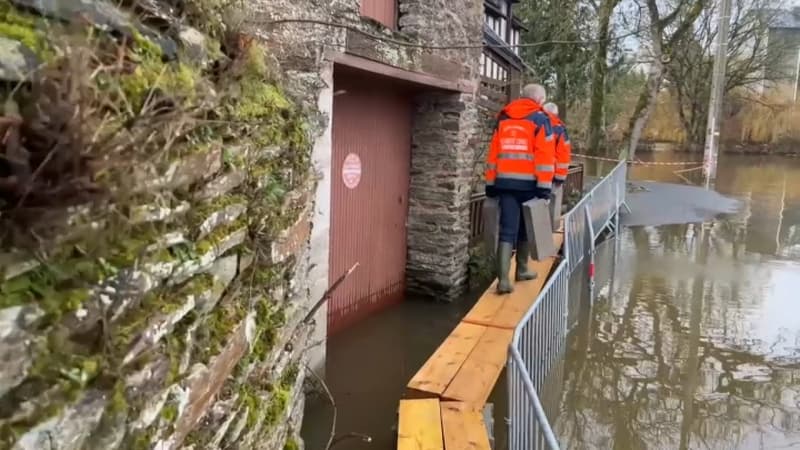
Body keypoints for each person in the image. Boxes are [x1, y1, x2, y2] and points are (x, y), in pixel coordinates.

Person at [485, 84, 555, 294]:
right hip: (530, 186)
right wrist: (544, 188)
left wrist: (490, 184)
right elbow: (545, 156)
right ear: (539, 100)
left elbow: (493, 152)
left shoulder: (504, 118)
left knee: (507, 230)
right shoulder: (541, 119)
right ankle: (522, 269)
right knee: (527, 227)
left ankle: (503, 281)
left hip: (505, 183)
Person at [542, 102, 572, 186]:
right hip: (551, 175)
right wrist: (560, 178)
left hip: (534, 174)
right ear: (556, 114)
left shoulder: (536, 123)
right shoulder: (560, 130)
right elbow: (564, 155)